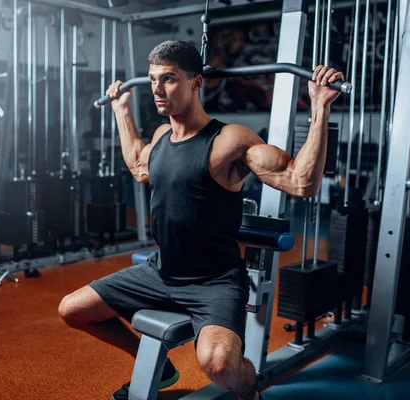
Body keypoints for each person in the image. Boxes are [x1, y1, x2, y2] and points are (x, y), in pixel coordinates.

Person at [59, 40, 343, 400]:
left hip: (215, 282)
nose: (158, 91)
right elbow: (138, 166)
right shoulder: (162, 135)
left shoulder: (229, 140)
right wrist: (121, 110)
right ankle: (162, 369)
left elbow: (301, 182)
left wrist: (319, 108)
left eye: (169, 79)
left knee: (220, 365)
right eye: (152, 80)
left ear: (196, 83)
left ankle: (250, 391)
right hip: (161, 272)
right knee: (72, 310)